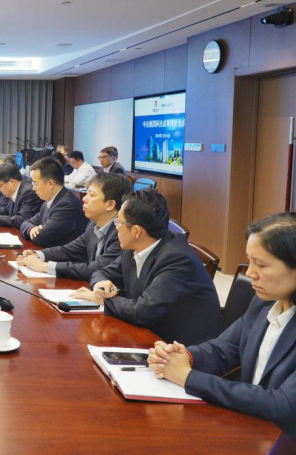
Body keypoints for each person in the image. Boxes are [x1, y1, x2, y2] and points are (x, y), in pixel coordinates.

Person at [147, 212, 296, 440]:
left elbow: (283, 405)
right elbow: (224, 348)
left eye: (261, 265)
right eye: (249, 261)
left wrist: (187, 377)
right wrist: (183, 357)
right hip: (251, 427)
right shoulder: (265, 301)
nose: (250, 273)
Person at [71, 189, 222, 345]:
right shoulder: (133, 246)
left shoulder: (177, 259)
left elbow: (143, 311)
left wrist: (102, 299)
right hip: (148, 333)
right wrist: (100, 285)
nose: (116, 227)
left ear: (136, 231)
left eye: (119, 222)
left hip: (180, 346)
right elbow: (101, 273)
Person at [17, 172, 131, 280]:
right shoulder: (93, 224)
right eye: (87, 193)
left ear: (110, 204)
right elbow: (70, 250)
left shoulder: (122, 233)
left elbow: (97, 269)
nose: (84, 199)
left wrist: (45, 266)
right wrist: (38, 254)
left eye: (91, 195)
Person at [20, 157, 89, 247]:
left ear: (51, 184)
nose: (33, 188)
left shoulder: (66, 206)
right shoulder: (48, 202)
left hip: (62, 255)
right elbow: (25, 223)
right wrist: (31, 229)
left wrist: (33, 231)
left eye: (35, 183)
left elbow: (40, 237)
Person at [0, 164, 42, 228]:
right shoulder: (16, 187)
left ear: (11, 182)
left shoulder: (28, 192)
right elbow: (8, 209)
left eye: (0, 185)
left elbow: (21, 219)